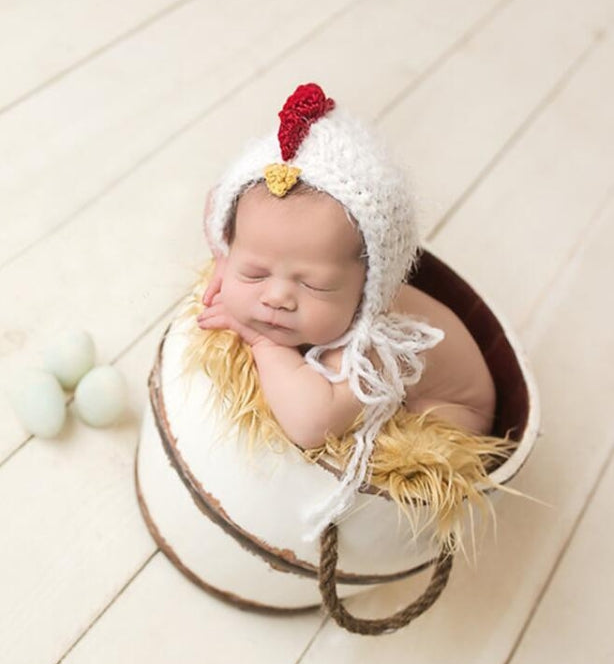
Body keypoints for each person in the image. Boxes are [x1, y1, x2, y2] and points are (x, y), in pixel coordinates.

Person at [194, 83, 499, 539]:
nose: (276, 297)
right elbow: (217, 205)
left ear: (368, 288)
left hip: (448, 409)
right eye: (255, 273)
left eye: (314, 284)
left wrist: (262, 342)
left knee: (376, 442)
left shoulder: (375, 343)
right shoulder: (272, 249)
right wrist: (225, 258)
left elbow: (311, 423)